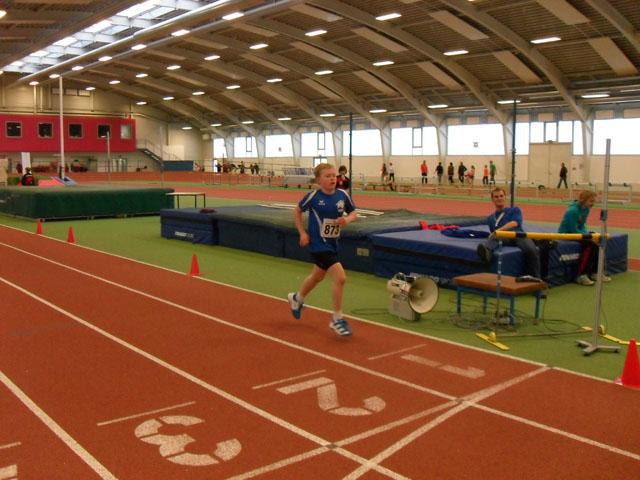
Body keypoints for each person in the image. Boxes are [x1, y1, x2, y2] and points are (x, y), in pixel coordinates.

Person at [287, 163, 357, 336]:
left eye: (334, 175)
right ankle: (337, 319)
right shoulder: (313, 196)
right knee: (340, 278)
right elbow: (297, 211)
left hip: (333, 244)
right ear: (318, 180)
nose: (332, 178)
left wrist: (347, 220)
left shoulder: (342, 195)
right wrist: (302, 233)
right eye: (328, 176)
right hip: (318, 245)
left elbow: (353, 212)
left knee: (317, 276)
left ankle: (297, 298)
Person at [476, 187, 541, 279]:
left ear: (505, 197)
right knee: (494, 238)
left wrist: (498, 231)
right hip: (503, 238)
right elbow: (493, 233)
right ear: (492, 199)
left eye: (501, 196)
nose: (499, 198)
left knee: (530, 250)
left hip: (517, 235)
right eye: (496, 197)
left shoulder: (514, 210)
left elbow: (514, 223)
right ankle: (487, 252)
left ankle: (536, 278)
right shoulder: (490, 218)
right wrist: (495, 234)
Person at [558, 190, 610, 286]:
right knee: (590, 244)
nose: (593, 204)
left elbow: (582, 225)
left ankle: (595, 272)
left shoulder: (586, 209)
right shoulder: (572, 211)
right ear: (583, 200)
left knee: (598, 240)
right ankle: (580, 275)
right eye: (591, 201)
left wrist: (589, 234)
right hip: (566, 234)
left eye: (594, 201)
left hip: (577, 232)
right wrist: (588, 236)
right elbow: (573, 229)